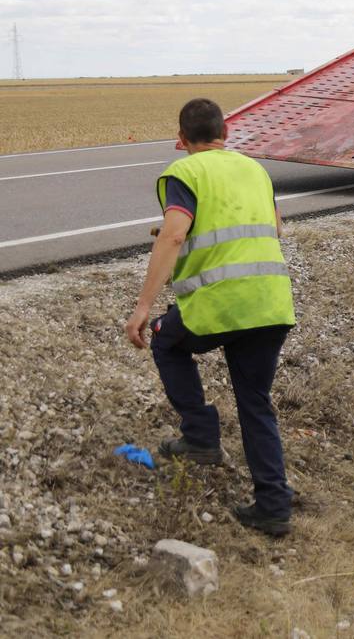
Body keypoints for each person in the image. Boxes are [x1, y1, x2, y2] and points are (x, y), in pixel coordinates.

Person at [124, 98, 297, 536]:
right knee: (255, 403)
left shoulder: (183, 173)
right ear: (227, 134)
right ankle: (273, 508)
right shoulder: (254, 170)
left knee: (164, 338)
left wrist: (143, 306)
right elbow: (277, 228)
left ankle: (201, 437)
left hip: (221, 304)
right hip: (271, 301)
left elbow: (176, 233)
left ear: (181, 141)